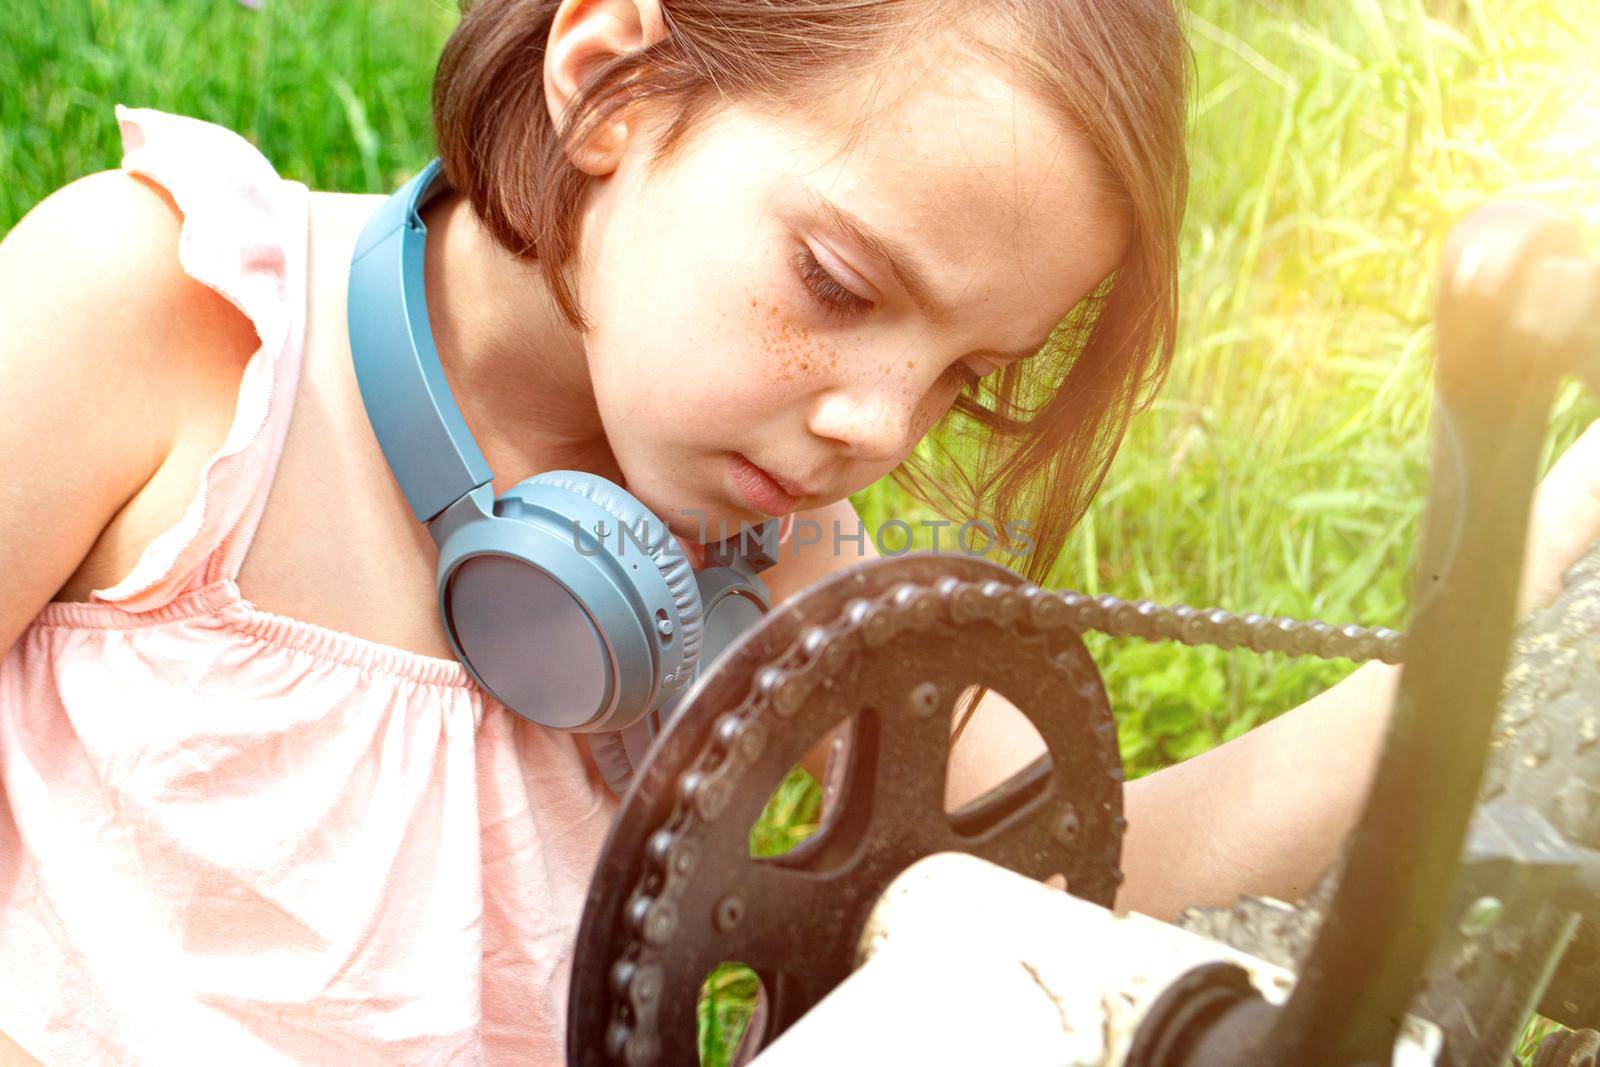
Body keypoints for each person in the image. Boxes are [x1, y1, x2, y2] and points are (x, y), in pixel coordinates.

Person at [0, 0, 1594, 1062]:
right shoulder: (163, 317)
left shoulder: (780, 555)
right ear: (611, 74)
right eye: (841, 284)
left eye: (964, 374)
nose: (878, 428)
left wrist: (1512, 573)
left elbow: (1100, 863)